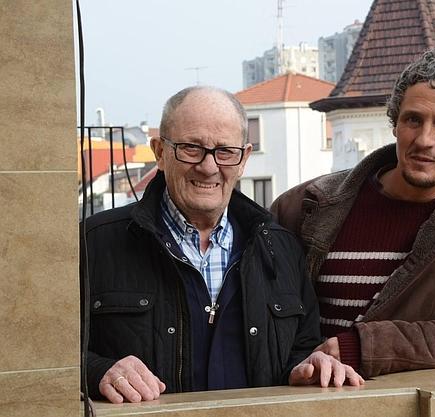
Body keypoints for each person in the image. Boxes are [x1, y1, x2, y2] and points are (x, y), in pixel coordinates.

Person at [82, 86, 363, 404]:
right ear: (160, 152)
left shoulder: (282, 249)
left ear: (244, 159)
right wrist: (97, 372)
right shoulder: (93, 244)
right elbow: (46, 354)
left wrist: (311, 366)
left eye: (225, 151)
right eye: (191, 148)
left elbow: (300, 352)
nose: (209, 166)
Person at [271, 47, 435, 377]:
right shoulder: (302, 206)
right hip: (307, 397)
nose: (424, 139)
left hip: (416, 401)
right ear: (395, 124)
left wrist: (364, 348)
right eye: (413, 120)